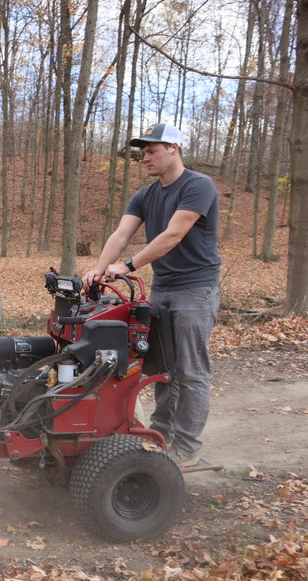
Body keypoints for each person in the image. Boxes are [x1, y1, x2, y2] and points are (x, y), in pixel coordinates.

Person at [81, 123, 221, 468]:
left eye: (152, 151)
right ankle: (161, 436)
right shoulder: (145, 195)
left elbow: (174, 233)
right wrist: (99, 270)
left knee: (190, 371)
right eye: (142, 152)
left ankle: (187, 450)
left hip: (194, 289)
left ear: (174, 148)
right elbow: (120, 234)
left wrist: (128, 266)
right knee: (161, 368)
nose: (145, 158)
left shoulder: (198, 185)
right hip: (162, 289)